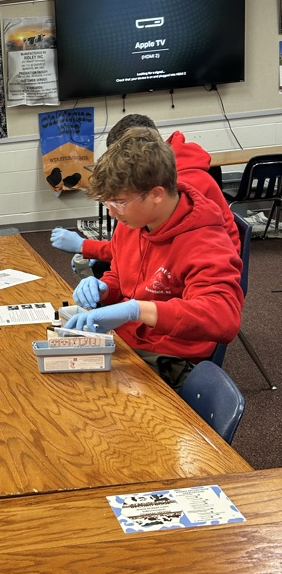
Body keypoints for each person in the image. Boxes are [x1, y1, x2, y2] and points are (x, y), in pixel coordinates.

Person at [63, 127, 243, 389]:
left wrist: (137, 309)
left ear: (157, 194)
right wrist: (105, 288)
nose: (113, 213)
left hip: (168, 355)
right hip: (127, 339)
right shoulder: (133, 222)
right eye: (107, 204)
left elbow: (224, 318)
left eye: (119, 203)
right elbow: (121, 272)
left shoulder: (204, 241)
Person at [50, 114, 240, 274]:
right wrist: (92, 251)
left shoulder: (185, 188)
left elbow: (158, 255)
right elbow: (130, 245)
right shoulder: (147, 196)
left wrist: (86, 247)